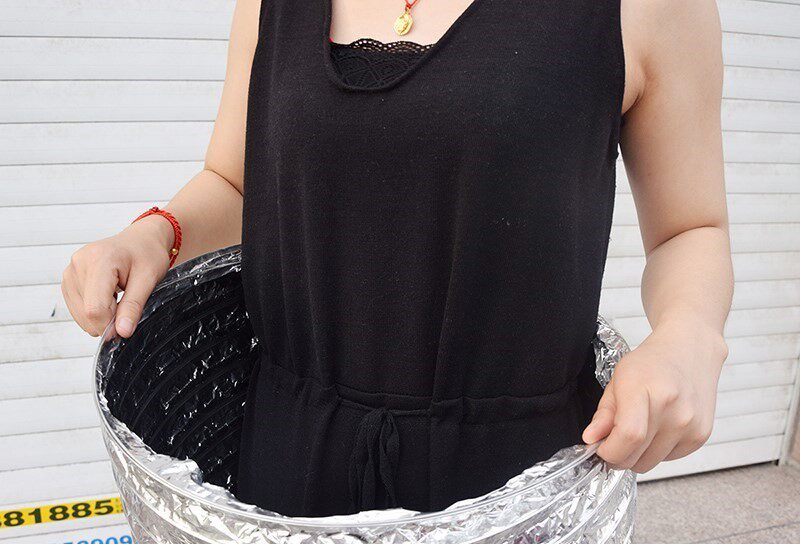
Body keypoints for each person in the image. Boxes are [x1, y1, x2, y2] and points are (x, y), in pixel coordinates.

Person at [62, 0, 733, 517]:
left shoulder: (648, 8)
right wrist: (156, 234)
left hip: (513, 485)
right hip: (290, 451)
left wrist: (688, 337)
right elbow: (236, 180)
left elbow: (690, 227)